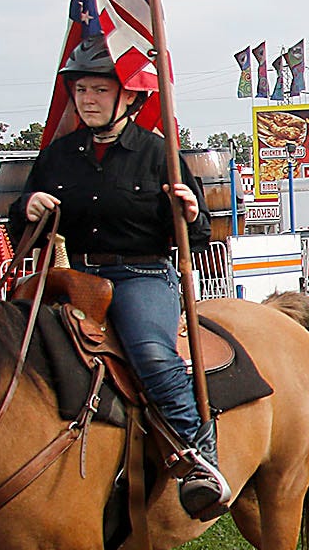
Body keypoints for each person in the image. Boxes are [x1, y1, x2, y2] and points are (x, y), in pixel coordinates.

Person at [15, 36, 225, 518]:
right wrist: (28, 208)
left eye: (99, 90)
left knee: (151, 354)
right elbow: (20, 221)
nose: (87, 100)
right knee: (9, 340)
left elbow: (200, 235)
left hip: (140, 274)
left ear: (129, 95)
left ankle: (199, 460)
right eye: (81, 90)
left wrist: (191, 214)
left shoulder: (159, 153)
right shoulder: (57, 156)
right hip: (73, 275)